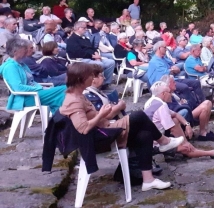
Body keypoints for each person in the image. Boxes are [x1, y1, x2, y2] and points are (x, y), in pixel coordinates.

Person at [60, 62, 182, 191]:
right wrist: (100, 114)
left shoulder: (78, 95)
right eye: (90, 75)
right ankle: (163, 141)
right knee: (139, 115)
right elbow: (83, 128)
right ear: (81, 79)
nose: (93, 77)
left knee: (144, 135)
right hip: (99, 139)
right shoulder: (73, 100)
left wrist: (103, 114)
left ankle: (148, 180)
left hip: (104, 130)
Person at [145, 81, 214, 153]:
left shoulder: (154, 101)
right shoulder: (162, 105)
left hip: (154, 137)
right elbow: (171, 126)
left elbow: (176, 113)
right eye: (173, 82)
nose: (176, 83)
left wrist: (187, 125)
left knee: (179, 118)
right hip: (156, 143)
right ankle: (212, 152)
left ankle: (206, 146)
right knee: (186, 148)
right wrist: (183, 141)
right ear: (163, 93)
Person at [0, 38, 66, 113]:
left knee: (62, 94)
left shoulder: (22, 64)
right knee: (64, 90)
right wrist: (40, 88)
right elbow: (18, 88)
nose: (26, 51)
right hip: (25, 98)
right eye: (24, 49)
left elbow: (31, 82)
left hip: (33, 94)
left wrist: (42, 88)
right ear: (15, 51)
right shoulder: (10, 67)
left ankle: (59, 119)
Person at [66, 21, 115, 86]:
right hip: (80, 60)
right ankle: (97, 85)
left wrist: (97, 55)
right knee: (99, 64)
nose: (86, 29)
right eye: (84, 28)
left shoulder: (85, 38)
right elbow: (78, 52)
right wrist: (94, 57)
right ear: (78, 28)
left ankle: (105, 83)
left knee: (111, 62)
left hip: (91, 58)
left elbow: (92, 48)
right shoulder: (72, 40)